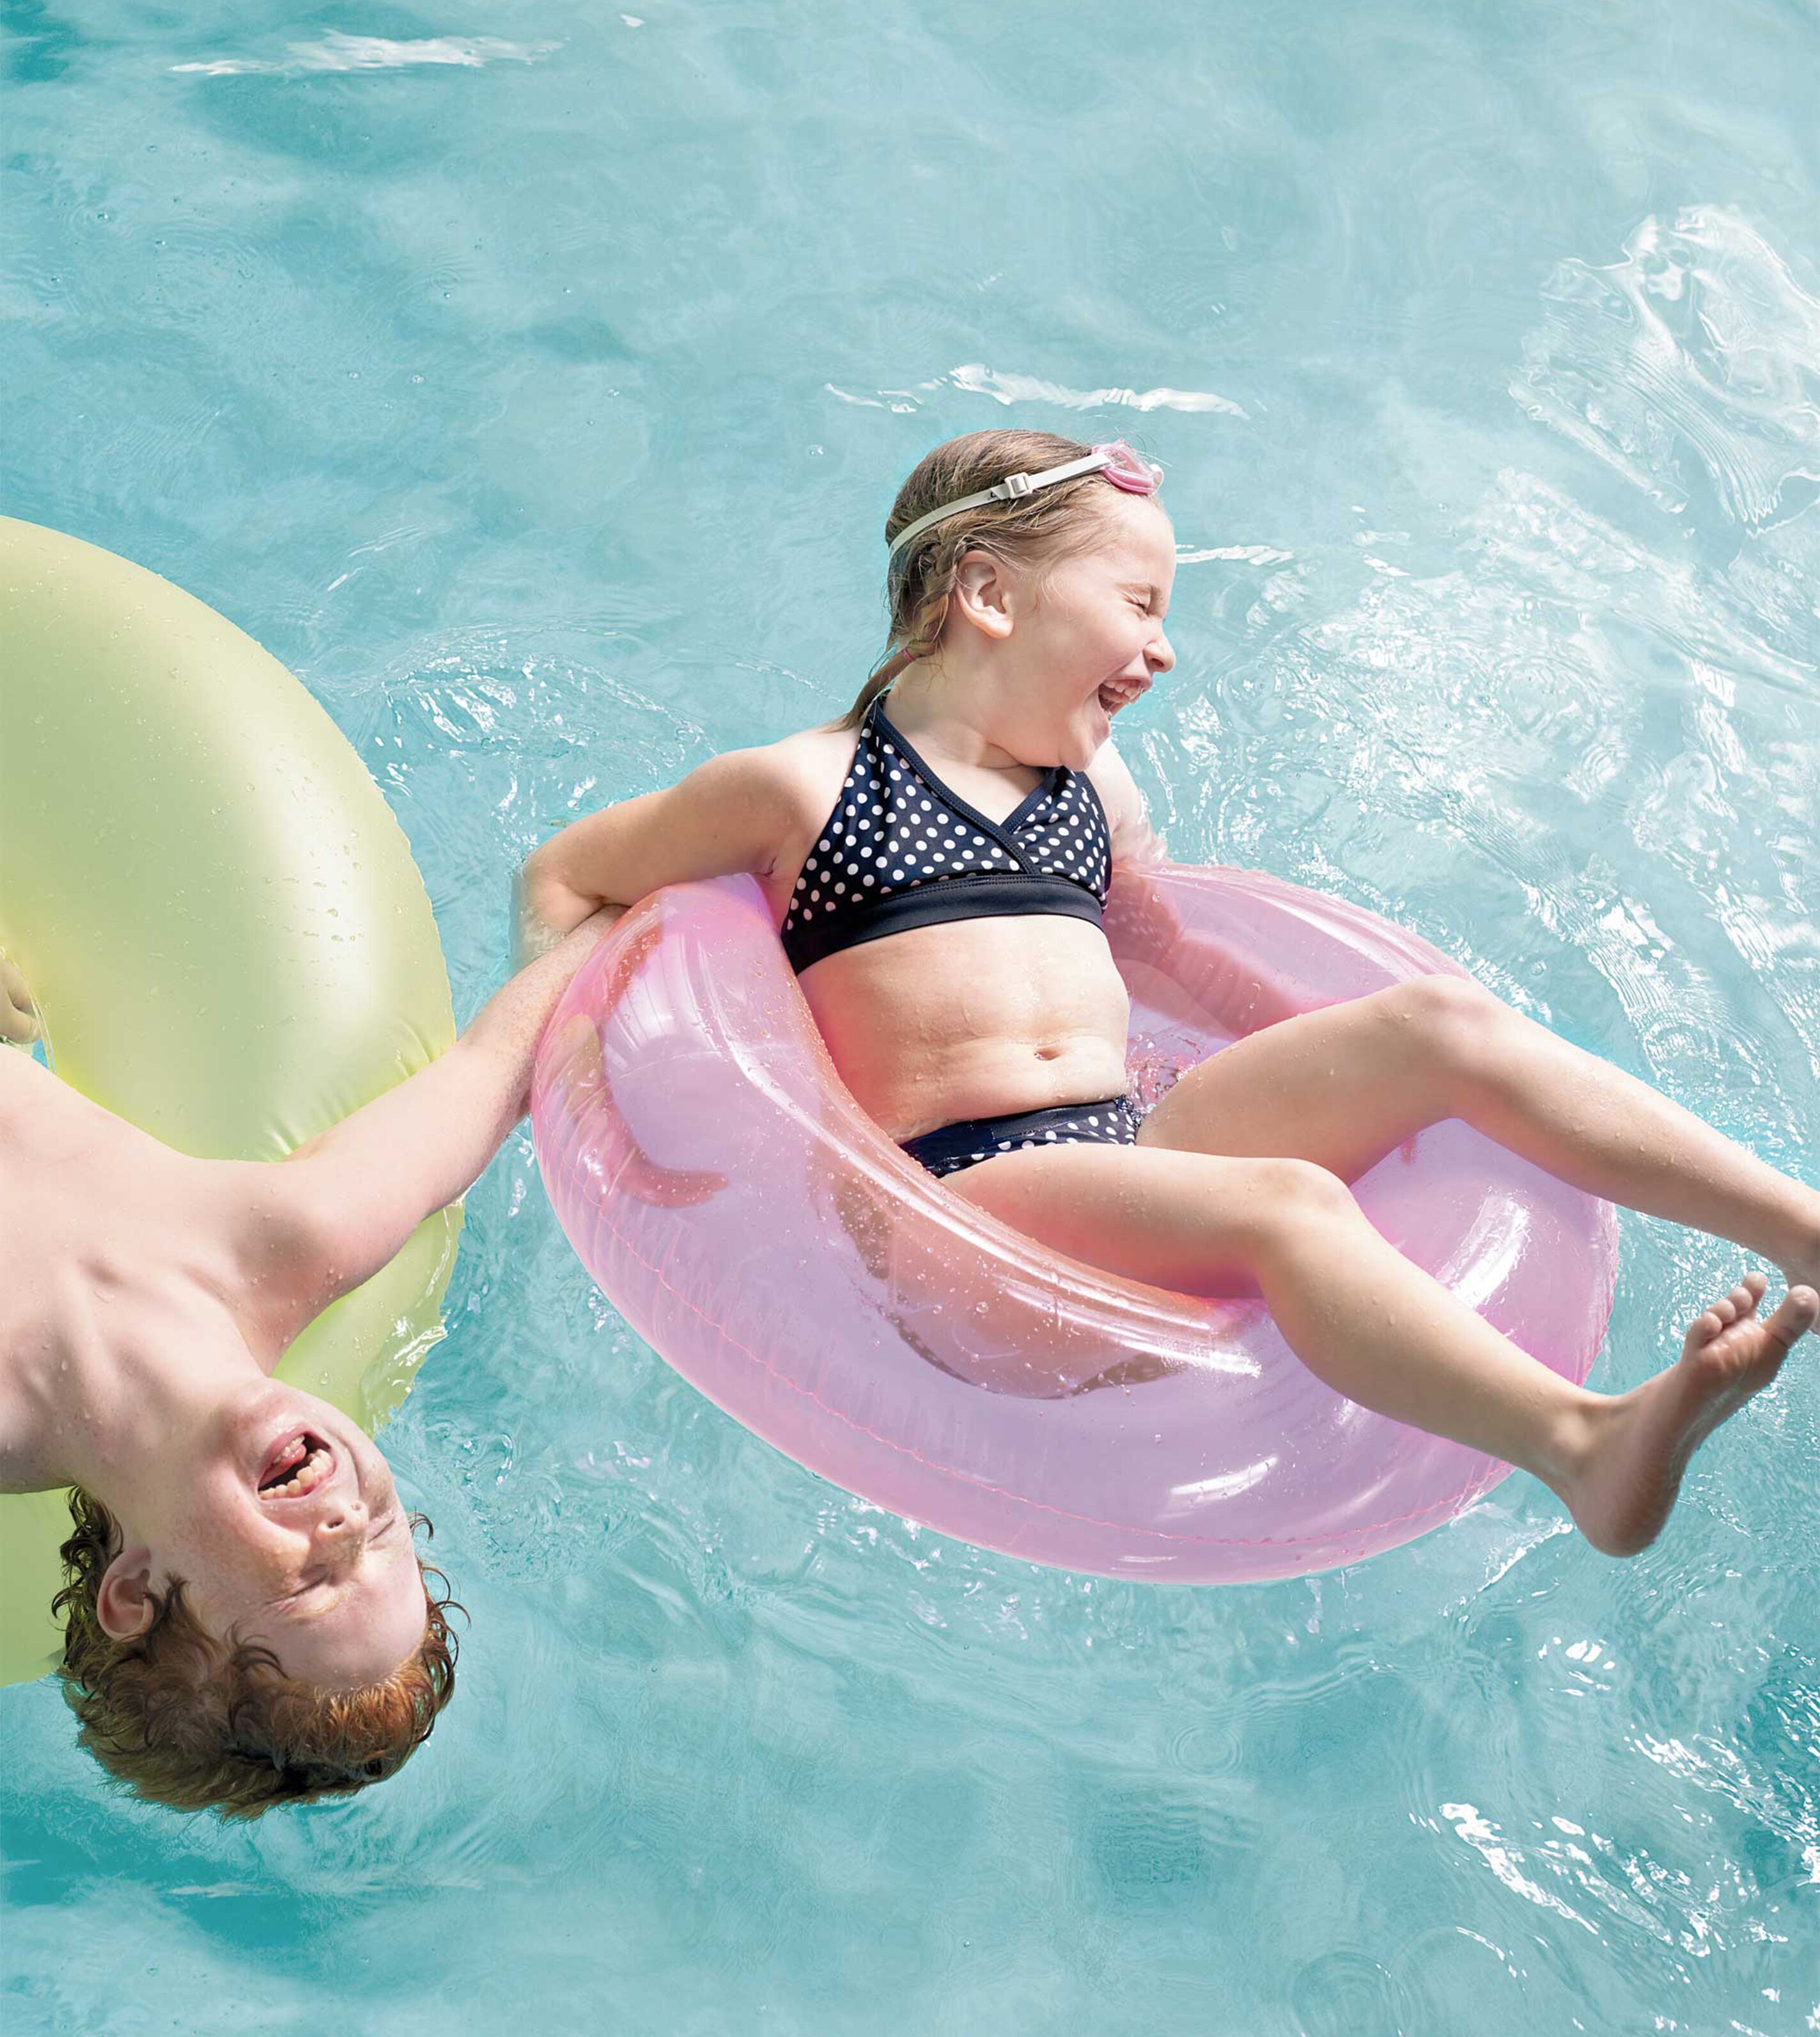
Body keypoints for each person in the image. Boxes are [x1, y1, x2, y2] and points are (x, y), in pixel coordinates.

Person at [517, 428, 1817, 1558]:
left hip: (1120, 1150)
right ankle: (1578, 1448)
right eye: (1138, 603)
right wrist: (580, 1099)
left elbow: (1175, 967)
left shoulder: (1093, 797)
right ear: (987, 592)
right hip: (957, 1216)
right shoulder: (801, 792)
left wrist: (1363, 1079)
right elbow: (566, 873)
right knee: (1286, 1206)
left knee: (1436, 1024)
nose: (1163, 649)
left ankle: (1801, 1226)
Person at [0, 920, 610, 1816]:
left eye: (313, 1583)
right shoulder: (290, 1243)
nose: (344, 1523)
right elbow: (502, 1062)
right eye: (384, 1534)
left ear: (137, 1592)